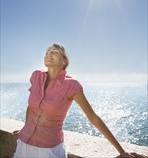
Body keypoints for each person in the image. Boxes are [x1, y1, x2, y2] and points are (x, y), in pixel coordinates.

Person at [13, 43, 147, 158]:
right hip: (23, 143)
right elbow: (31, 107)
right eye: (48, 52)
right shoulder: (36, 76)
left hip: (48, 148)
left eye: (54, 52)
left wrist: (121, 151)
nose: (49, 54)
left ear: (64, 61)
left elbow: (93, 117)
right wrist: (25, 127)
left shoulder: (71, 85)